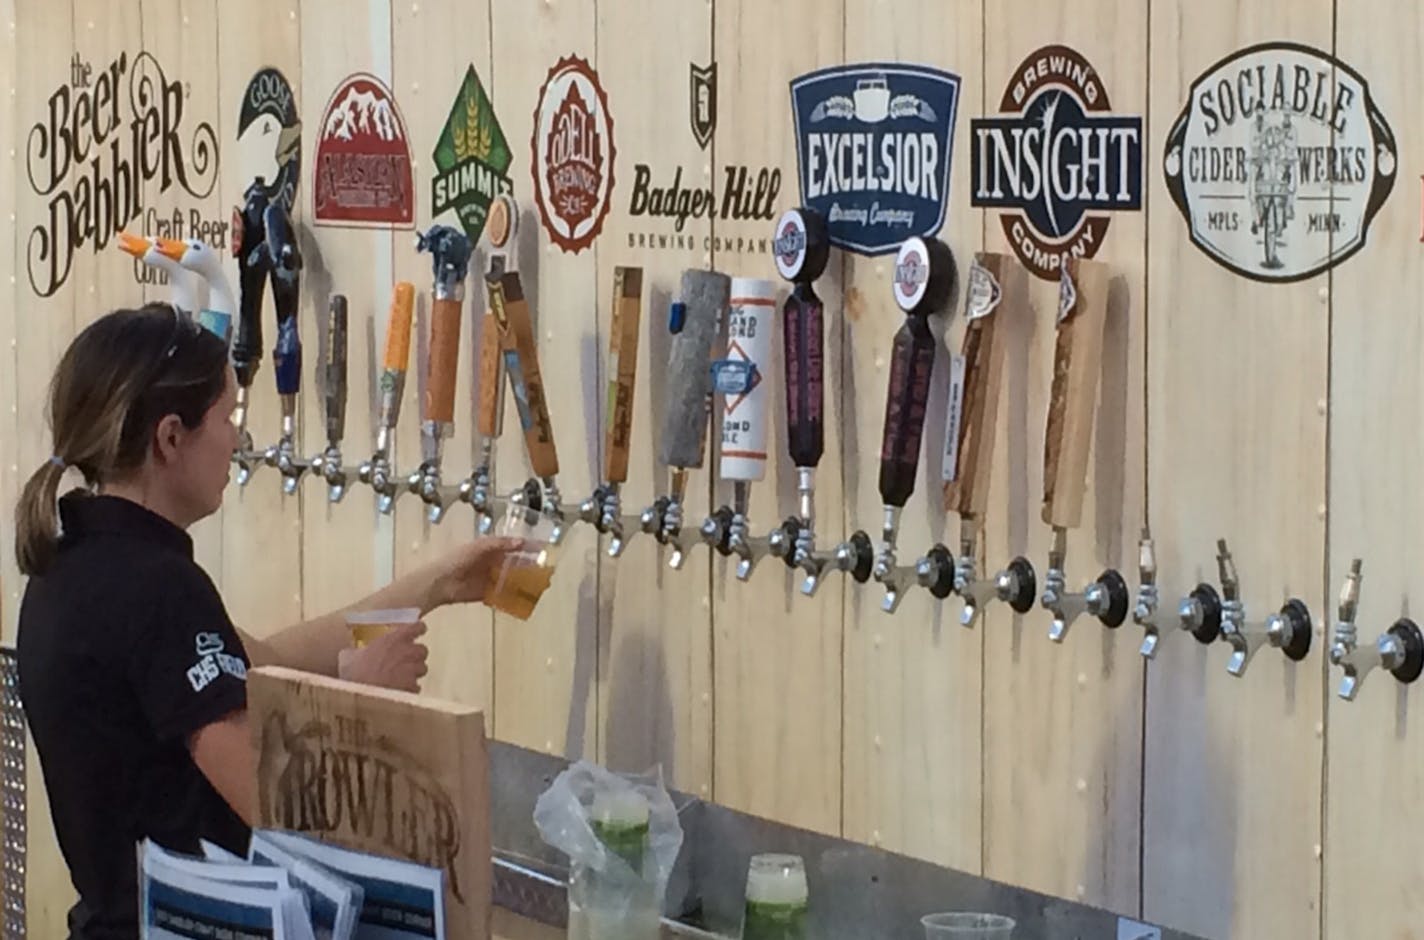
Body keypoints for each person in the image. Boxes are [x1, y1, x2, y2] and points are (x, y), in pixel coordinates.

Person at [13, 303, 523, 940]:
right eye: (226, 417)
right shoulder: (158, 591)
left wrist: (441, 585)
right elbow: (282, 811)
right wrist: (362, 701)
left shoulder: (74, 563)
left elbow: (264, 659)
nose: (238, 438)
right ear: (170, 438)